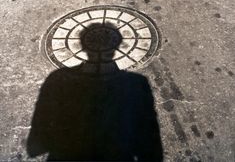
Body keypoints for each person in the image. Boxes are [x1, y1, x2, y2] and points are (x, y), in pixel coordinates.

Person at [27, 22, 163, 161]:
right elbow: (150, 150)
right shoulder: (136, 84)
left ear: (83, 47)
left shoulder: (58, 79)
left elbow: (36, 146)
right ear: (116, 47)